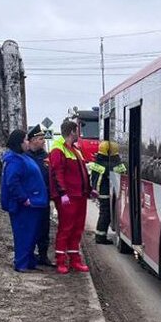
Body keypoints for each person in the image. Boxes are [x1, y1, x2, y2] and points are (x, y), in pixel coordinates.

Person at [49, 117, 96, 274]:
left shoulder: (75, 150)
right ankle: (61, 261)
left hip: (79, 195)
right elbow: (57, 172)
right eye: (77, 131)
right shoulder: (58, 149)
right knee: (66, 228)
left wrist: (89, 190)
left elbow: (83, 173)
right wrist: (62, 193)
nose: (79, 134)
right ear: (71, 132)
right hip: (68, 197)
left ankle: (75, 260)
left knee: (77, 228)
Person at [0, 129, 49, 272]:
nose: (28, 142)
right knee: (24, 234)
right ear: (19, 142)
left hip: (34, 202)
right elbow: (12, 182)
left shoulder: (22, 157)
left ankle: (29, 261)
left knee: (32, 234)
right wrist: (24, 198)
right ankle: (21, 264)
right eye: (26, 140)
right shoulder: (15, 160)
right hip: (25, 205)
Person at [88, 140, 127, 244]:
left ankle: (100, 235)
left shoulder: (99, 161)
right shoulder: (108, 165)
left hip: (100, 192)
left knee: (104, 214)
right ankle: (100, 237)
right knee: (105, 215)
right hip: (105, 193)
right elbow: (122, 170)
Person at [25, 125, 54, 266]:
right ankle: (29, 256)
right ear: (33, 140)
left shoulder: (46, 157)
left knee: (44, 228)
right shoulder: (25, 157)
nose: (44, 141)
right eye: (41, 139)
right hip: (30, 201)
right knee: (31, 229)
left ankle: (43, 256)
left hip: (44, 199)